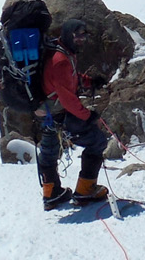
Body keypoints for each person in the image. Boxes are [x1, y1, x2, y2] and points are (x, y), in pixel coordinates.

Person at [36, 19, 110, 210]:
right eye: (77, 35)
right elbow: (68, 99)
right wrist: (88, 116)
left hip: (45, 110)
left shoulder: (59, 51)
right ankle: (85, 190)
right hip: (59, 112)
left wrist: (89, 81)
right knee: (97, 141)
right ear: (68, 35)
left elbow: (69, 79)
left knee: (49, 149)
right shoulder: (61, 60)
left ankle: (51, 193)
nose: (81, 39)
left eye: (83, 35)